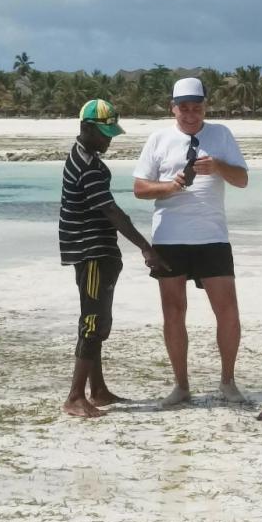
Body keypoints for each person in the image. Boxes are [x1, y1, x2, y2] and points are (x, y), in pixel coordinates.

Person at [133, 77, 249, 406]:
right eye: (183, 108)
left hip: (213, 237)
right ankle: (181, 386)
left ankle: (228, 382)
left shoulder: (221, 135)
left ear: (205, 107)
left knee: (228, 312)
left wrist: (218, 166)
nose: (190, 114)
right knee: (173, 312)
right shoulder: (159, 139)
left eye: (196, 107)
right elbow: (140, 189)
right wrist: (170, 187)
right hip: (170, 238)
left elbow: (242, 180)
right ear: (173, 108)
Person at [59, 99, 166, 418]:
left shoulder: (84, 156)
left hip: (93, 250)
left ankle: (98, 390)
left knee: (96, 320)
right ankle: (75, 397)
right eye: (104, 134)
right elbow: (111, 211)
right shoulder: (88, 166)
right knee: (94, 322)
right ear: (86, 128)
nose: (109, 141)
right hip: (91, 252)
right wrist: (146, 247)